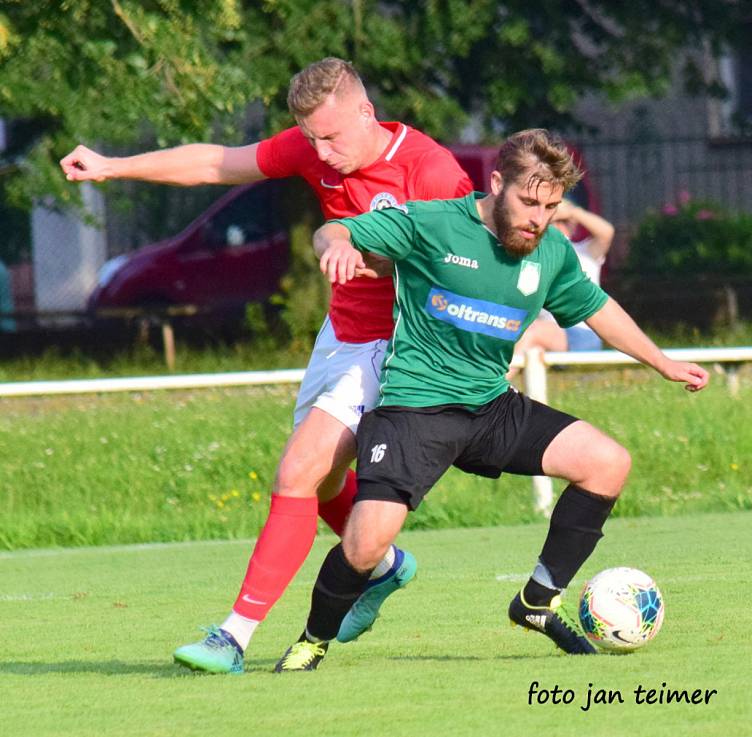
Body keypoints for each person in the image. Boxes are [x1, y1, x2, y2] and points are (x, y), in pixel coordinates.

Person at [61, 58, 473, 674]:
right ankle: (384, 567)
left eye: (332, 136)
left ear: (367, 112)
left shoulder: (431, 169)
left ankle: (232, 637)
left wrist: (389, 267)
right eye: (311, 138)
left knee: (297, 471)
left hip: (401, 347)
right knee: (326, 486)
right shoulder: (314, 147)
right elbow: (215, 163)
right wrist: (113, 166)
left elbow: (464, 263)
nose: (321, 152)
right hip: (340, 336)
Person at [271, 128, 708, 672]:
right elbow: (333, 231)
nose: (538, 218)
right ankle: (312, 640)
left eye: (550, 207)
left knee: (607, 463)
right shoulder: (434, 223)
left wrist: (662, 362)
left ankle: (536, 602)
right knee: (363, 547)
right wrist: (337, 246)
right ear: (496, 184)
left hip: (491, 407)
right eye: (528, 202)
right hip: (414, 410)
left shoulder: (549, 252)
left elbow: (597, 308)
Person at [507, 198, 614, 378]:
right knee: (528, 341)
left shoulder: (586, 251)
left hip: (581, 334)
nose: (558, 227)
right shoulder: (533, 256)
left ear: (573, 226)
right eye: (553, 221)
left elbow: (607, 232)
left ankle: (488, 393)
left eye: (564, 222)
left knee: (533, 332)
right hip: (548, 333)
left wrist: (572, 212)